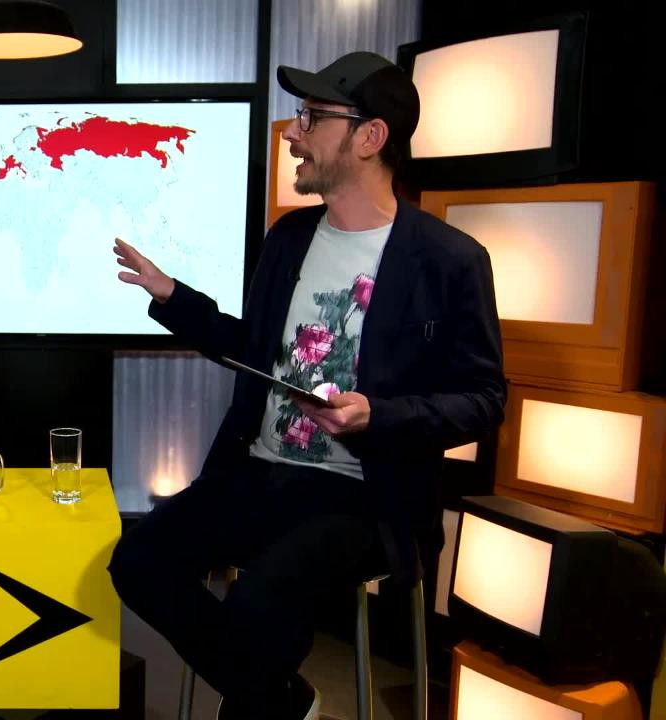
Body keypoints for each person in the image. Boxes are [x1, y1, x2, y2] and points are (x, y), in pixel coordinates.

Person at [107, 52, 506, 720]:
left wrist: (379, 415)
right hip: (259, 471)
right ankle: (280, 698)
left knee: (262, 601)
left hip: (362, 494)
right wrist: (175, 298)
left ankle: (258, 699)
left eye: (313, 117)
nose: (293, 132)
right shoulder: (289, 237)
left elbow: (484, 400)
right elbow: (256, 351)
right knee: (138, 560)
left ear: (370, 137)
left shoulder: (450, 260)